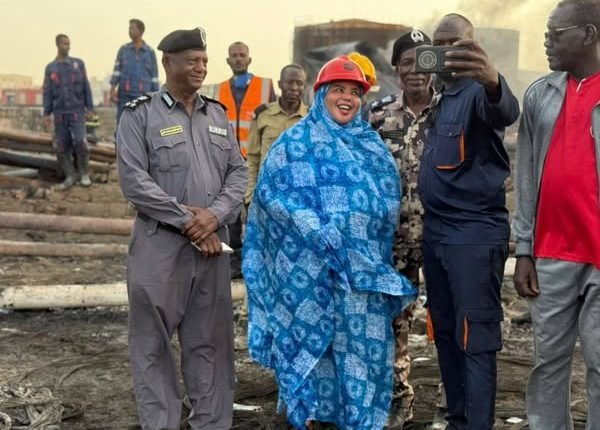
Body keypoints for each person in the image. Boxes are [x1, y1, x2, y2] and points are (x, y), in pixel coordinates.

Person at [242, 56, 417, 430]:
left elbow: (387, 201)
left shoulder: (371, 146)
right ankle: (311, 416)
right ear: (321, 94)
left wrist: (354, 228)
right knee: (312, 344)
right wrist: (313, 227)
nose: (347, 98)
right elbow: (270, 195)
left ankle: (355, 419)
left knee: (357, 350)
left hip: (358, 273)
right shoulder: (294, 143)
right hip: (307, 272)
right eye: (338, 89)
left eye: (354, 92)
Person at [117, 27, 247, 430]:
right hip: (160, 247)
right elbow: (134, 182)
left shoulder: (218, 115)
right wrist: (190, 221)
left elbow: (238, 173)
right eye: (192, 60)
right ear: (167, 62)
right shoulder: (139, 115)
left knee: (210, 343)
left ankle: (212, 423)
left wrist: (215, 217)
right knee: (152, 345)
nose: (200, 67)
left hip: (211, 250)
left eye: (204, 60)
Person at [417, 14, 520, 429]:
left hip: (472, 235)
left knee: (474, 337)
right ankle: (458, 420)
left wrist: (492, 79)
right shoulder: (442, 96)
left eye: (453, 43)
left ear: (472, 46)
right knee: (445, 333)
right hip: (437, 234)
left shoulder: (478, 91)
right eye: (438, 43)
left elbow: (504, 110)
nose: (444, 51)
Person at [512, 1, 600, 428]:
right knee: (548, 364)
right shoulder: (539, 95)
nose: (546, 42)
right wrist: (523, 249)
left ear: (588, 34)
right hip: (550, 256)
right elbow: (526, 175)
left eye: (555, 34)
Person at [369, 29, 439, 430]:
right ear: (396, 68)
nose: (415, 71)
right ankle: (398, 399)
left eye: (423, 61)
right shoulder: (378, 114)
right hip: (392, 241)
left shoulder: (450, 110)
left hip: (441, 237)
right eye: (407, 62)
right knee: (393, 321)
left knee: (448, 322)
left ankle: (451, 402)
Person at [214, 41, 276, 278]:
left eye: (242, 55)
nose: (238, 59)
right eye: (234, 55)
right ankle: (232, 263)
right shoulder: (218, 91)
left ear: (249, 59)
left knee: (254, 213)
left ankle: (254, 262)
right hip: (227, 162)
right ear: (228, 60)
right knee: (229, 214)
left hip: (254, 163)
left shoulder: (265, 87)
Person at [245, 63, 308, 207]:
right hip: (266, 195)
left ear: (304, 87)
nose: (294, 88)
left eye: (299, 83)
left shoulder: (311, 119)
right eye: (289, 82)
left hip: (299, 198)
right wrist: (250, 197)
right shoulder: (262, 115)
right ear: (280, 84)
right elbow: (253, 159)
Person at [43, 34, 95, 190]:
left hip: (76, 111)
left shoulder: (78, 65)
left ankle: (84, 173)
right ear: (58, 45)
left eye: (68, 44)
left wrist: (90, 108)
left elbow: (86, 86)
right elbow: (47, 92)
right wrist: (46, 114)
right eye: (64, 44)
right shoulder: (51, 68)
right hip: (60, 113)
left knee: (81, 142)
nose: (67, 47)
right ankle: (70, 175)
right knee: (61, 146)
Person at [110, 18, 159, 125]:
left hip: (143, 96)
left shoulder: (149, 52)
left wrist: (156, 96)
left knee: (142, 126)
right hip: (125, 95)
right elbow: (116, 71)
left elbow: (154, 77)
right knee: (122, 124)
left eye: (132, 28)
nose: (129, 31)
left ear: (140, 31)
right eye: (129, 28)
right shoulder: (124, 50)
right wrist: (112, 88)